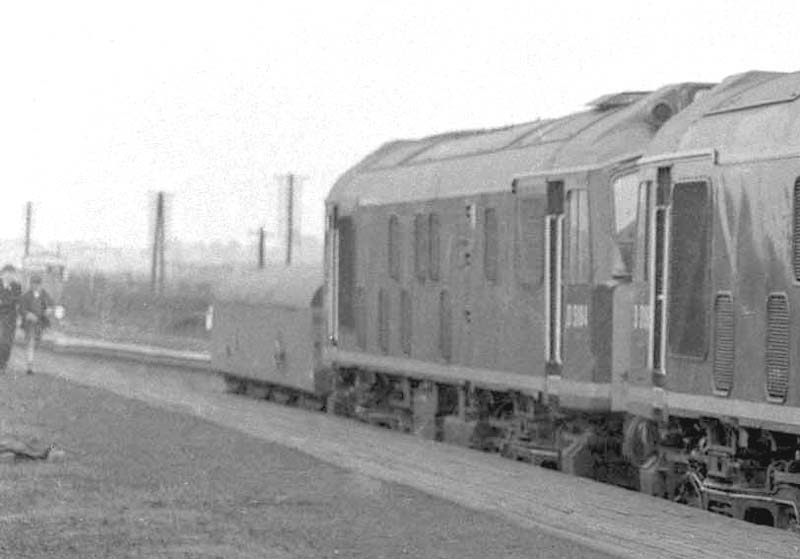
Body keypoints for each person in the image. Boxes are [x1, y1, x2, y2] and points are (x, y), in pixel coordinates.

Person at [20, 274, 53, 375]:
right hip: (29, 323)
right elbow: (21, 309)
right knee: (30, 342)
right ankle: (29, 366)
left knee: (37, 343)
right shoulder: (26, 296)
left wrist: (49, 310)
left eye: (38, 284)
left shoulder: (45, 294)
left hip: (40, 323)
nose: (36, 286)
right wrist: (27, 314)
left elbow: (51, 304)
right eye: (34, 284)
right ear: (31, 284)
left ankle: (33, 362)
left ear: (41, 285)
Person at [0, 264, 21, 374]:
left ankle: (3, 364)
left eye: (11, 274)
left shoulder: (17, 286)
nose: (9, 276)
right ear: (2, 274)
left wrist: (4, 301)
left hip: (10, 318)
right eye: (7, 274)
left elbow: (17, 301)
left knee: (7, 342)